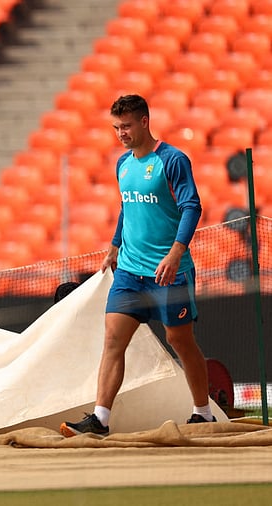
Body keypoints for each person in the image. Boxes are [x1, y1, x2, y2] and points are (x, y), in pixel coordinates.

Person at [61, 94, 212, 437]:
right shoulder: (123, 164)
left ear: (145, 121)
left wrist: (175, 254)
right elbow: (127, 208)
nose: (121, 133)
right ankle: (100, 419)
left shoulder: (172, 160)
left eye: (126, 126)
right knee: (113, 338)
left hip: (169, 271)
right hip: (130, 271)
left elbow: (192, 207)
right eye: (116, 127)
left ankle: (203, 412)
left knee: (180, 340)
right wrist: (114, 246)